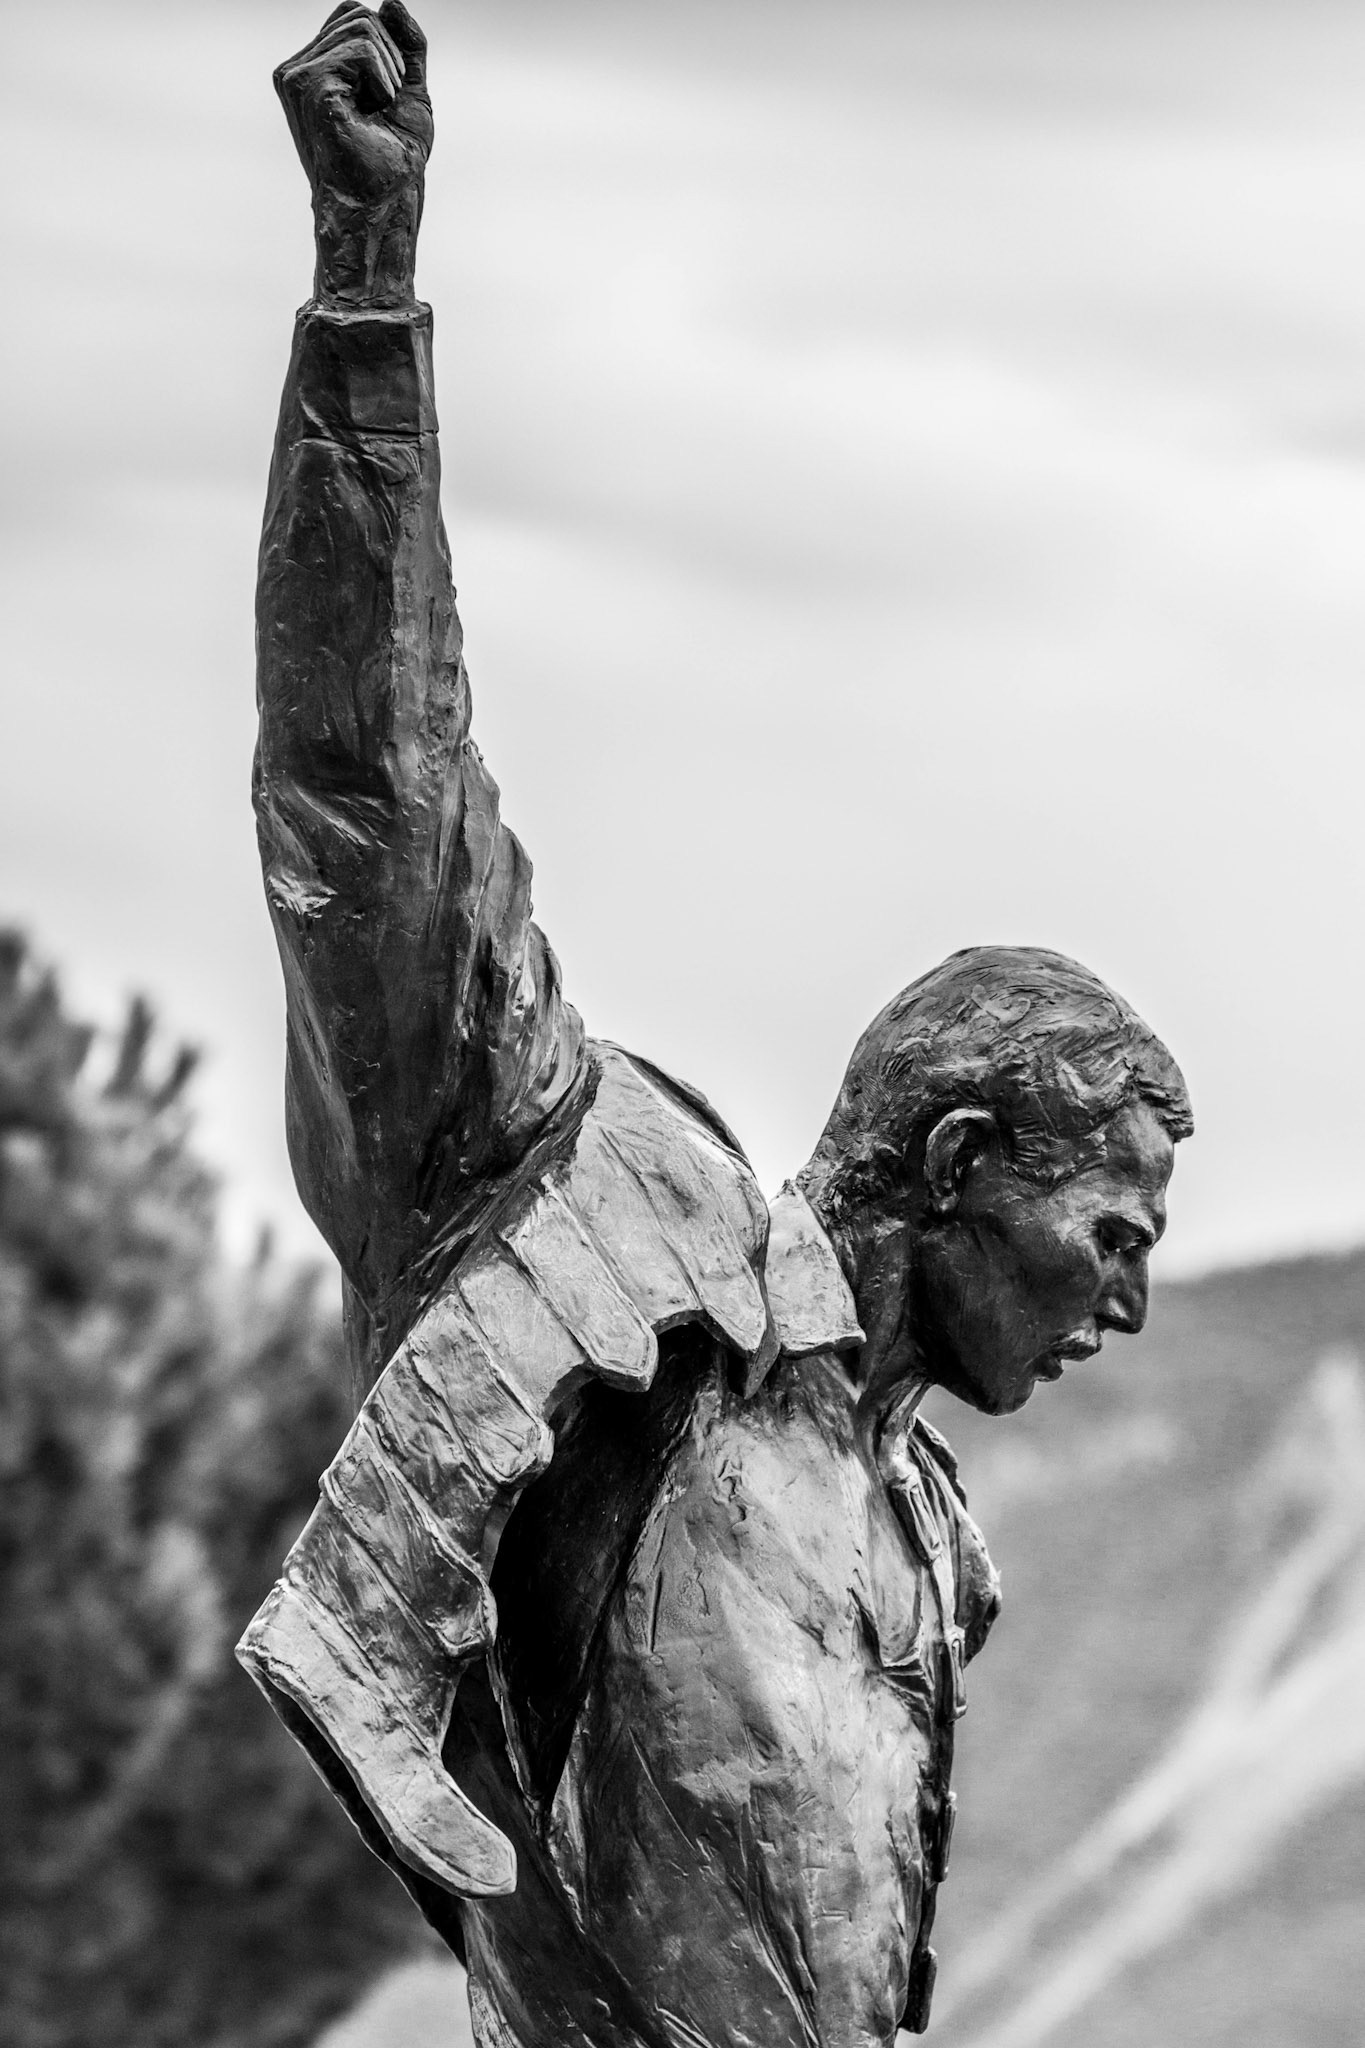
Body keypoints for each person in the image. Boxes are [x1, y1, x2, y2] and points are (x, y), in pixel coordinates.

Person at [238, 8, 1192, 2045]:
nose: (1128, 1298)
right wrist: (366, 288)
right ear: (953, 1171)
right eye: (1109, 1233)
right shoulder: (587, 1247)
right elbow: (369, 798)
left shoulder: (919, 1541)